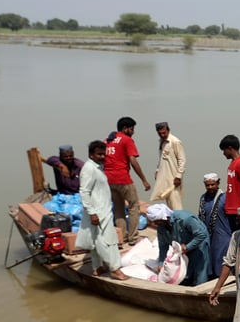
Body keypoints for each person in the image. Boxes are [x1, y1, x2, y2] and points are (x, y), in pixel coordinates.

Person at [74, 140, 128, 280]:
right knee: (107, 241)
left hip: (101, 209)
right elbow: (84, 191)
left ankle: (97, 267)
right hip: (98, 212)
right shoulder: (89, 169)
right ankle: (115, 269)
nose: (102, 157)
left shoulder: (98, 167)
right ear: (91, 155)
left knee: (95, 240)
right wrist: (92, 213)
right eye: (99, 154)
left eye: (104, 154)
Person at [105, 116, 151, 245]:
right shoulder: (127, 140)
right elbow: (133, 160)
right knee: (133, 207)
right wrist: (144, 180)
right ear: (125, 129)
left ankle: (122, 237)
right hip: (122, 178)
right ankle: (133, 237)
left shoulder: (108, 140)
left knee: (118, 208)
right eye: (132, 129)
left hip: (108, 179)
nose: (133, 132)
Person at [144, 203, 211, 286]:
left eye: (156, 221)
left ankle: (201, 291)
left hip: (199, 244)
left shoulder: (185, 219)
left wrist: (187, 247)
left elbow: (201, 235)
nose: (155, 224)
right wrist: (161, 264)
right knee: (185, 275)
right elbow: (163, 246)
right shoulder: (161, 227)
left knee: (200, 273)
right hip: (183, 249)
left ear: (164, 218)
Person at [198, 173, 232, 280]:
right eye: (207, 185)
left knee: (220, 262)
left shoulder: (225, 198)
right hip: (208, 236)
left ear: (218, 183)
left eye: (212, 185)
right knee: (209, 262)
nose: (210, 187)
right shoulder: (203, 198)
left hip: (223, 236)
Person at [220, 135, 240, 235]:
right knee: (235, 238)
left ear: (230, 148)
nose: (223, 153)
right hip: (230, 210)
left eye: (224, 150)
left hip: (238, 210)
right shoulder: (232, 164)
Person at [151, 122, 186, 210]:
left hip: (174, 179)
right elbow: (161, 159)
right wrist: (157, 170)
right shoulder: (161, 142)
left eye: (164, 133)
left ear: (168, 130)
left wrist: (178, 176)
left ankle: (180, 223)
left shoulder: (175, 142)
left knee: (176, 205)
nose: (162, 135)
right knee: (169, 205)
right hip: (164, 178)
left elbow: (182, 160)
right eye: (160, 133)